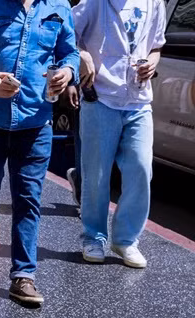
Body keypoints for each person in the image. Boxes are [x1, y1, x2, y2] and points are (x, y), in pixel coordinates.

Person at [0, 0, 79, 306]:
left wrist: (67, 71)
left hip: (35, 123)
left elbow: (69, 52)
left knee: (28, 198)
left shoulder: (59, 8)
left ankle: (24, 274)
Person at [70, 0, 166, 268]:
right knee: (97, 173)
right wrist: (82, 55)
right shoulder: (93, 3)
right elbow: (67, 33)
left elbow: (157, 45)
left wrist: (151, 63)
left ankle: (126, 240)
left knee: (140, 167)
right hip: (101, 98)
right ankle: (93, 236)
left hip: (138, 100)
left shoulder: (154, 2)